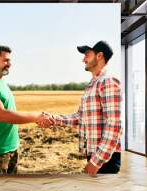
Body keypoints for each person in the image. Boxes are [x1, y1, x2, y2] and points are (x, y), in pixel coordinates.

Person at [41, 41, 122, 176]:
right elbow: (80, 117)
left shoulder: (108, 81)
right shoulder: (93, 84)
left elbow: (114, 124)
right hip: (95, 153)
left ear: (99, 56)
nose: (83, 59)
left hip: (106, 159)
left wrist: (97, 161)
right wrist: (53, 119)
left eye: (87, 55)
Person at [0, 45, 54, 174]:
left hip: (12, 148)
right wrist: (36, 117)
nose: (9, 64)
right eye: (6, 60)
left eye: (10, 61)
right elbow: (3, 115)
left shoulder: (1, 82)